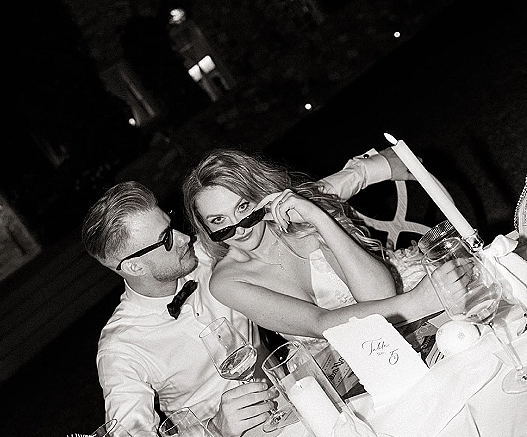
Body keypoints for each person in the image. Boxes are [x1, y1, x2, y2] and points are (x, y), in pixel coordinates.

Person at [81, 146, 422, 437]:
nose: (185, 238)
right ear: (135, 267)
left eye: (172, 225)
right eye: (166, 238)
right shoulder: (122, 348)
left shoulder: (203, 252)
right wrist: (213, 430)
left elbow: (266, 207)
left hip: (300, 398)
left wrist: (367, 170)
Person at [182, 148, 442, 345]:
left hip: (408, 304)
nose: (238, 228)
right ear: (206, 228)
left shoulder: (302, 215)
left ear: (260, 197)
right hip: (349, 361)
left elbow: (381, 298)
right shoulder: (227, 282)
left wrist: (318, 218)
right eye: (218, 220)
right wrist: (416, 303)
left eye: (243, 207)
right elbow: (320, 324)